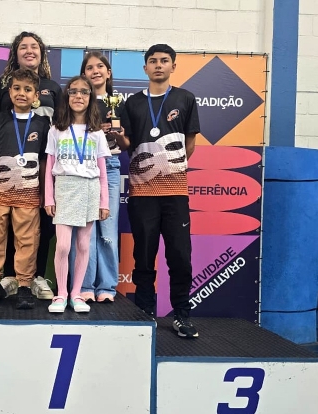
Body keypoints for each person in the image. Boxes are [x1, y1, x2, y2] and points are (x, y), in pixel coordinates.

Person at [115, 44, 200, 338]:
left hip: (175, 193)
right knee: (143, 256)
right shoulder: (132, 103)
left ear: (173, 66)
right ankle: (145, 314)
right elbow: (127, 144)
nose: (159, 65)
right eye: (153, 61)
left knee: (180, 257)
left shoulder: (185, 98)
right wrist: (118, 138)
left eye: (164, 61)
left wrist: (169, 168)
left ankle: (181, 315)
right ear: (145, 68)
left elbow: (189, 143)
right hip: (142, 193)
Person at [0, 32, 62, 301]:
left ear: (42, 53)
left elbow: (61, 126)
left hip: (39, 167)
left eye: (34, 47)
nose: (29, 51)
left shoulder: (53, 87)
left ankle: (34, 277)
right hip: (7, 172)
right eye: (23, 47)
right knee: (4, 225)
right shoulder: (1, 85)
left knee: (38, 225)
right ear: (15, 53)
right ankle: (8, 277)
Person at [0, 69, 50, 309]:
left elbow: (44, 161)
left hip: (29, 192)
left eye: (28, 90)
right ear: (9, 92)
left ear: (36, 95)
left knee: (27, 239)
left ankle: (25, 285)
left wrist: (45, 191)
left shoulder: (42, 123)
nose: (21, 93)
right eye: (17, 88)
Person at [44, 75, 111, 313]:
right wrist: (48, 197)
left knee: (83, 245)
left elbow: (103, 172)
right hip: (64, 187)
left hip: (89, 188)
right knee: (63, 246)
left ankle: (76, 293)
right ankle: (61, 293)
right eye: (73, 91)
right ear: (67, 96)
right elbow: (49, 167)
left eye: (84, 92)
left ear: (91, 97)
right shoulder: (56, 130)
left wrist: (104, 202)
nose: (78, 96)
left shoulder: (97, 133)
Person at [69, 51, 124, 303]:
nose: (95, 71)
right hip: (83, 169)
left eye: (100, 66)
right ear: (84, 74)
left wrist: (117, 134)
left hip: (110, 166)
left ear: (108, 72)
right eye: (89, 68)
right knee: (84, 232)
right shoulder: (79, 102)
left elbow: (127, 143)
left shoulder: (119, 103)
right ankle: (84, 285)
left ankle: (108, 287)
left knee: (108, 231)